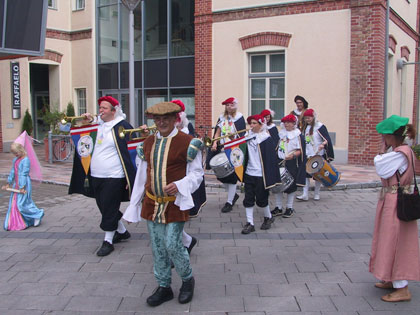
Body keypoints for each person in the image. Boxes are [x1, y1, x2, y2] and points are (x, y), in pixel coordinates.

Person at [123, 101, 204, 306]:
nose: (161, 123)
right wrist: (133, 207)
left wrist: (180, 184)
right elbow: (141, 177)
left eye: (165, 119)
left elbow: (197, 174)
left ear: (175, 119)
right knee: (158, 247)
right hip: (152, 204)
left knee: (172, 243)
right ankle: (164, 286)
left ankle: (187, 280)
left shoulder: (188, 142)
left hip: (175, 203)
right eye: (157, 119)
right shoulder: (147, 143)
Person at [69, 96, 136, 257]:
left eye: (104, 108)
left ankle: (108, 241)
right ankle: (122, 231)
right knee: (104, 206)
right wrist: (84, 124)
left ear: (114, 111)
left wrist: (130, 178)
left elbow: (132, 154)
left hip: (114, 176)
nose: (101, 111)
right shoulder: (96, 126)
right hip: (95, 175)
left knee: (109, 206)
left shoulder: (122, 127)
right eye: (100, 108)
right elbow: (81, 141)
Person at [370, 115, 420, 302]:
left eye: (384, 136)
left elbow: (381, 167)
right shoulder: (401, 151)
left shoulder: (400, 153)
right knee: (388, 239)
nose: (383, 139)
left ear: (391, 136)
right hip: (393, 199)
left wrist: (381, 151)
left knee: (397, 241)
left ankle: (402, 288)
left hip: (396, 201)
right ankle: (392, 279)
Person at [241, 114, 281, 234]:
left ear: (260, 124)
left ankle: (268, 217)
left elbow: (270, 159)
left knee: (262, 199)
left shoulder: (265, 139)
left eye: (254, 123)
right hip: (249, 172)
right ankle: (250, 223)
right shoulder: (247, 136)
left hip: (260, 173)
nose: (251, 126)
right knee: (248, 198)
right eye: (250, 123)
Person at [209, 97, 246, 213]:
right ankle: (233, 195)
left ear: (234, 106)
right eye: (227, 105)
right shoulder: (222, 117)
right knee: (221, 175)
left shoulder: (239, 118)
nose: (228, 107)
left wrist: (233, 137)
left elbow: (241, 135)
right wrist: (215, 142)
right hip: (223, 148)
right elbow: (218, 132)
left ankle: (229, 202)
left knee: (232, 177)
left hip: (234, 150)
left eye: (230, 105)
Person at [2, 131, 44, 231]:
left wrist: (22, 186)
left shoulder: (26, 160)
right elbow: (13, 171)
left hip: (24, 184)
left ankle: (37, 214)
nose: (15, 155)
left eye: (16, 153)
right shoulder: (16, 160)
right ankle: (21, 220)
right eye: (14, 153)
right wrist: (9, 182)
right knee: (16, 203)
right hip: (17, 184)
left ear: (21, 150)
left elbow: (23, 174)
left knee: (22, 203)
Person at [271, 114, 306, 218]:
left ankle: (289, 207)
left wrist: (293, 155)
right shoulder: (281, 134)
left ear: (294, 123)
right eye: (285, 122)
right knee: (278, 185)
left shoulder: (298, 135)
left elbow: (301, 150)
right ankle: (278, 207)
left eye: (289, 122)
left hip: (291, 162)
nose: (286, 124)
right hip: (280, 161)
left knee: (290, 186)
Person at [297, 108, 334, 201]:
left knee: (318, 175)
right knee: (306, 174)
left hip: (317, 154)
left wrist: (322, 145)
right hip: (307, 154)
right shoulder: (305, 128)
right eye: (306, 118)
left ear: (313, 117)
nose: (307, 120)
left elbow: (326, 139)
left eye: (309, 118)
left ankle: (317, 193)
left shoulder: (320, 126)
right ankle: (305, 194)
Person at [260, 109, 282, 214]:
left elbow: (276, 141)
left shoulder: (272, 127)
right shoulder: (260, 127)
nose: (267, 119)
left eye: (268, 117)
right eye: (265, 117)